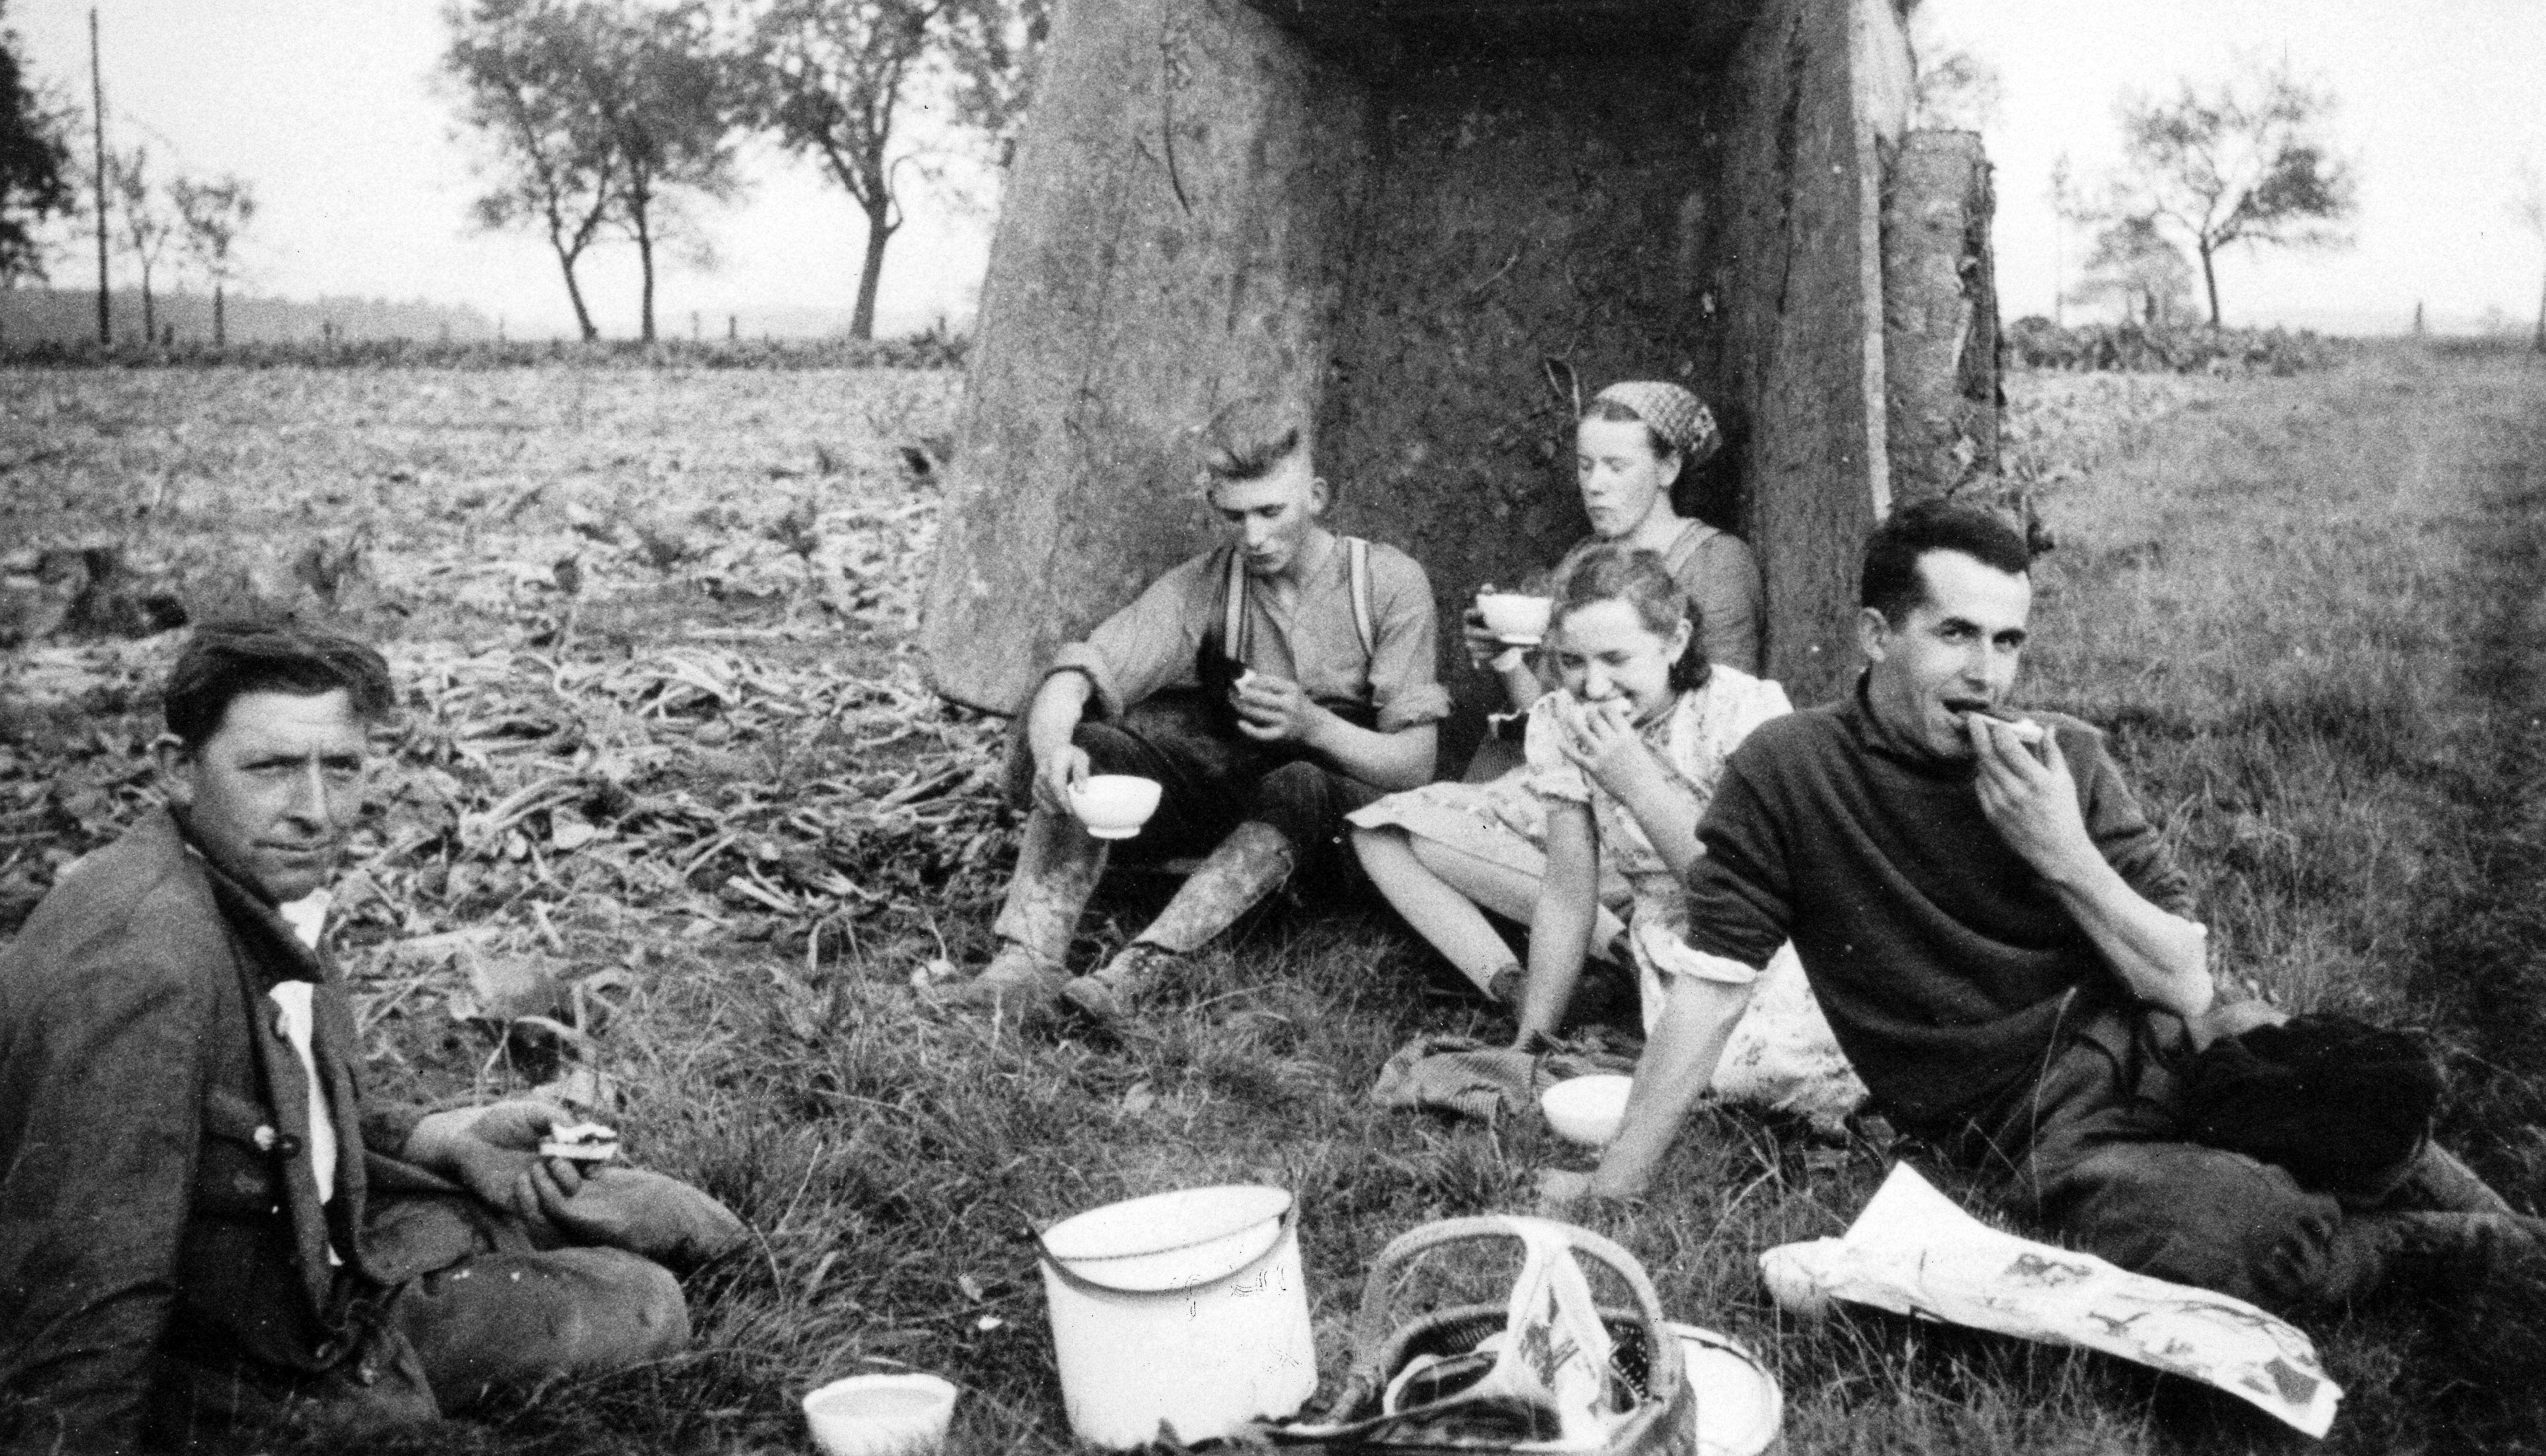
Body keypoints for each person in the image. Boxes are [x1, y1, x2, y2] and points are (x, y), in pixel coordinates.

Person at [1539, 499, 2542, 1317]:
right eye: (1956, 635)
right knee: (2247, 1243)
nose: (1988, 672)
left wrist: (2063, 852)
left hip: (2176, 1035)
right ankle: (2420, 1248)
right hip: (2030, 1115)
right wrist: (1616, 1182)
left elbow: (2185, 979)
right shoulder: (1788, 772)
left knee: (2366, 1098)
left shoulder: (2063, 757)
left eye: (2008, 640)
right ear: (1876, 635)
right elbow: (1712, 990)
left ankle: (2513, 1242)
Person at [0, 621, 745, 1453]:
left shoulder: (238, 882)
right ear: (179, 769)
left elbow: (277, 1109)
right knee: (639, 1301)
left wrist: (447, 1139)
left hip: (304, 1234)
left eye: (341, 767)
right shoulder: (146, 968)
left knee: (666, 1214)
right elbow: (87, 1289)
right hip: (248, 1342)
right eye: (272, 769)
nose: (314, 811)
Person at [942, 394, 1448, 1025]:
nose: (1255, 537)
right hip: (1242, 816)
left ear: (1316, 498)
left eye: (1272, 511)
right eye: (1235, 517)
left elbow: (1415, 766)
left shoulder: (1388, 584)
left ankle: (1148, 966)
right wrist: (1054, 751)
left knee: (1301, 782)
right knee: (1099, 747)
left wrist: (1314, 725)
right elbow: (1076, 673)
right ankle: (1026, 961)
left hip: (1344, 834)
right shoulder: (1207, 585)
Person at [1351, 381, 1764, 1006]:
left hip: (1663, 811)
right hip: (1570, 782)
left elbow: (1716, 710)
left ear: (1669, 468)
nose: (1594, 484)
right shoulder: (1582, 563)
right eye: (1584, 464)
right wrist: (1511, 657)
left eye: (1617, 466)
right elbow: (1548, 712)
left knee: (1430, 832)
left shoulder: (1716, 560)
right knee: (1377, 832)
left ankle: (1619, 947)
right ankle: (1518, 987)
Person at [1497, 545, 1860, 1125]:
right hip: (1676, 939)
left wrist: (1637, 783)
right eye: (1571, 662)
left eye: (1616, 658)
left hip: (1784, 929)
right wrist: (1530, 1042)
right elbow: (1568, 894)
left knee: (1768, 1067)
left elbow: (1750, 894)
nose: (1593, 687)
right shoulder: (1560, 722)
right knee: (1720, 1074)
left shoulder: (1741, 711)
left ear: (1676, 641)